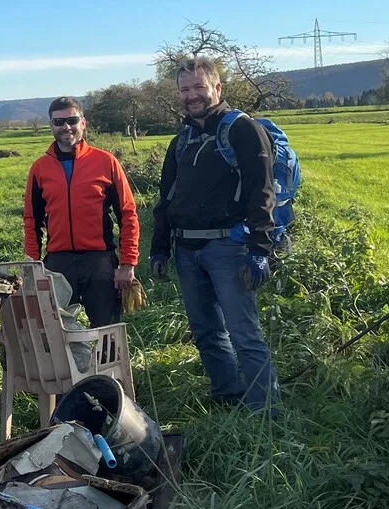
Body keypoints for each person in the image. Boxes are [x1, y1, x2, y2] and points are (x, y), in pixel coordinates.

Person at [150, 56, 280, 414]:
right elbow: (166, 198)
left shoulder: (242, 129)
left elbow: (262, 192)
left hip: (229, 248)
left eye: (199, 87)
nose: (191, 95)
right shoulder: (182, 140)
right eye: (184, 89)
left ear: (217, 87)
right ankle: (227, 398)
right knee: (206, 332)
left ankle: (265, 412)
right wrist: (159, 248)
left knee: (244, 334)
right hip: (186, 250)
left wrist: (260, 250)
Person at [23, 97, 140, 327]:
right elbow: (31, 221)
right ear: (51, 125)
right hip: (58, 263)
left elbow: (128, 214)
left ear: (83, 122)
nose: (66, 127)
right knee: (57, 332)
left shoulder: (106, 162)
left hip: (100, 261)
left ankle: (107, 354)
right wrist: (32, 266)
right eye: (59, 122)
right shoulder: (39, 168)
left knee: (107, 331)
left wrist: (127, 263)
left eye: (72, 120)